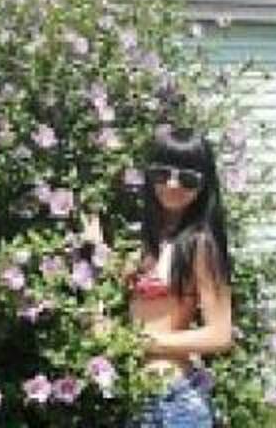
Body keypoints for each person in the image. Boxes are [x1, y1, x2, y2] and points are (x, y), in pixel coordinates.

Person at [85, 126, 233, 427]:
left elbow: (220, 334)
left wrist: (138, 342)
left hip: (175, 402)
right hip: (141, 397)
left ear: (204, 185)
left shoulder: (200, 245)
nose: (173, 184)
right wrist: (96, 248)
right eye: (162, 173)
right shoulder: (148, 242)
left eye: (188, 178)